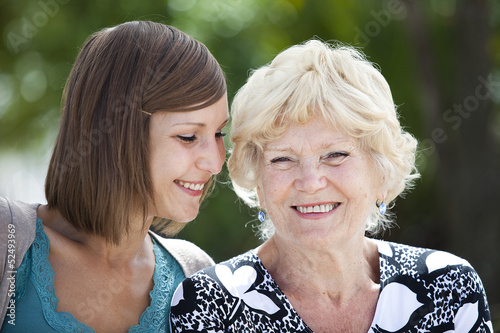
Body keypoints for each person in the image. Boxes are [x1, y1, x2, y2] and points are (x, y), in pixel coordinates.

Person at [170, 40, 493, 332]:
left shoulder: (447, 285)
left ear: (380, 170)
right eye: (282, 159)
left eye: (335, 155)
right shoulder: (210, 303)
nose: (310, 182)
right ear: (257, 178)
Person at [0, 21, 229, 332]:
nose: (216, 162)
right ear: (118, 132)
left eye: (219, 133)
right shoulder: (8, 241)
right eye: (188, 136)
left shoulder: (196, 277)